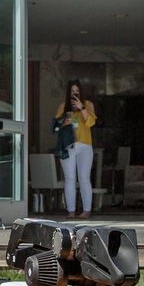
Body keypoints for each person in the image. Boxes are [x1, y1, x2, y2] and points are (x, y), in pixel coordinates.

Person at [54, 79, 97, 218]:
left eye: (77, 91)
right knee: (70, 178)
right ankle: (71, 210)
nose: (74, 93)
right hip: (68, 145)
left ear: (81, 92)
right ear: (68, 93)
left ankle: (86, 210)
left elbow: (91, 122)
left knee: (84, 177)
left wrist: (82, 107)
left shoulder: (88, 105)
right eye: (72, 91)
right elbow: (55, 127)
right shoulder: (63, 106)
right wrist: (64, 122)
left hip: (85, 145)